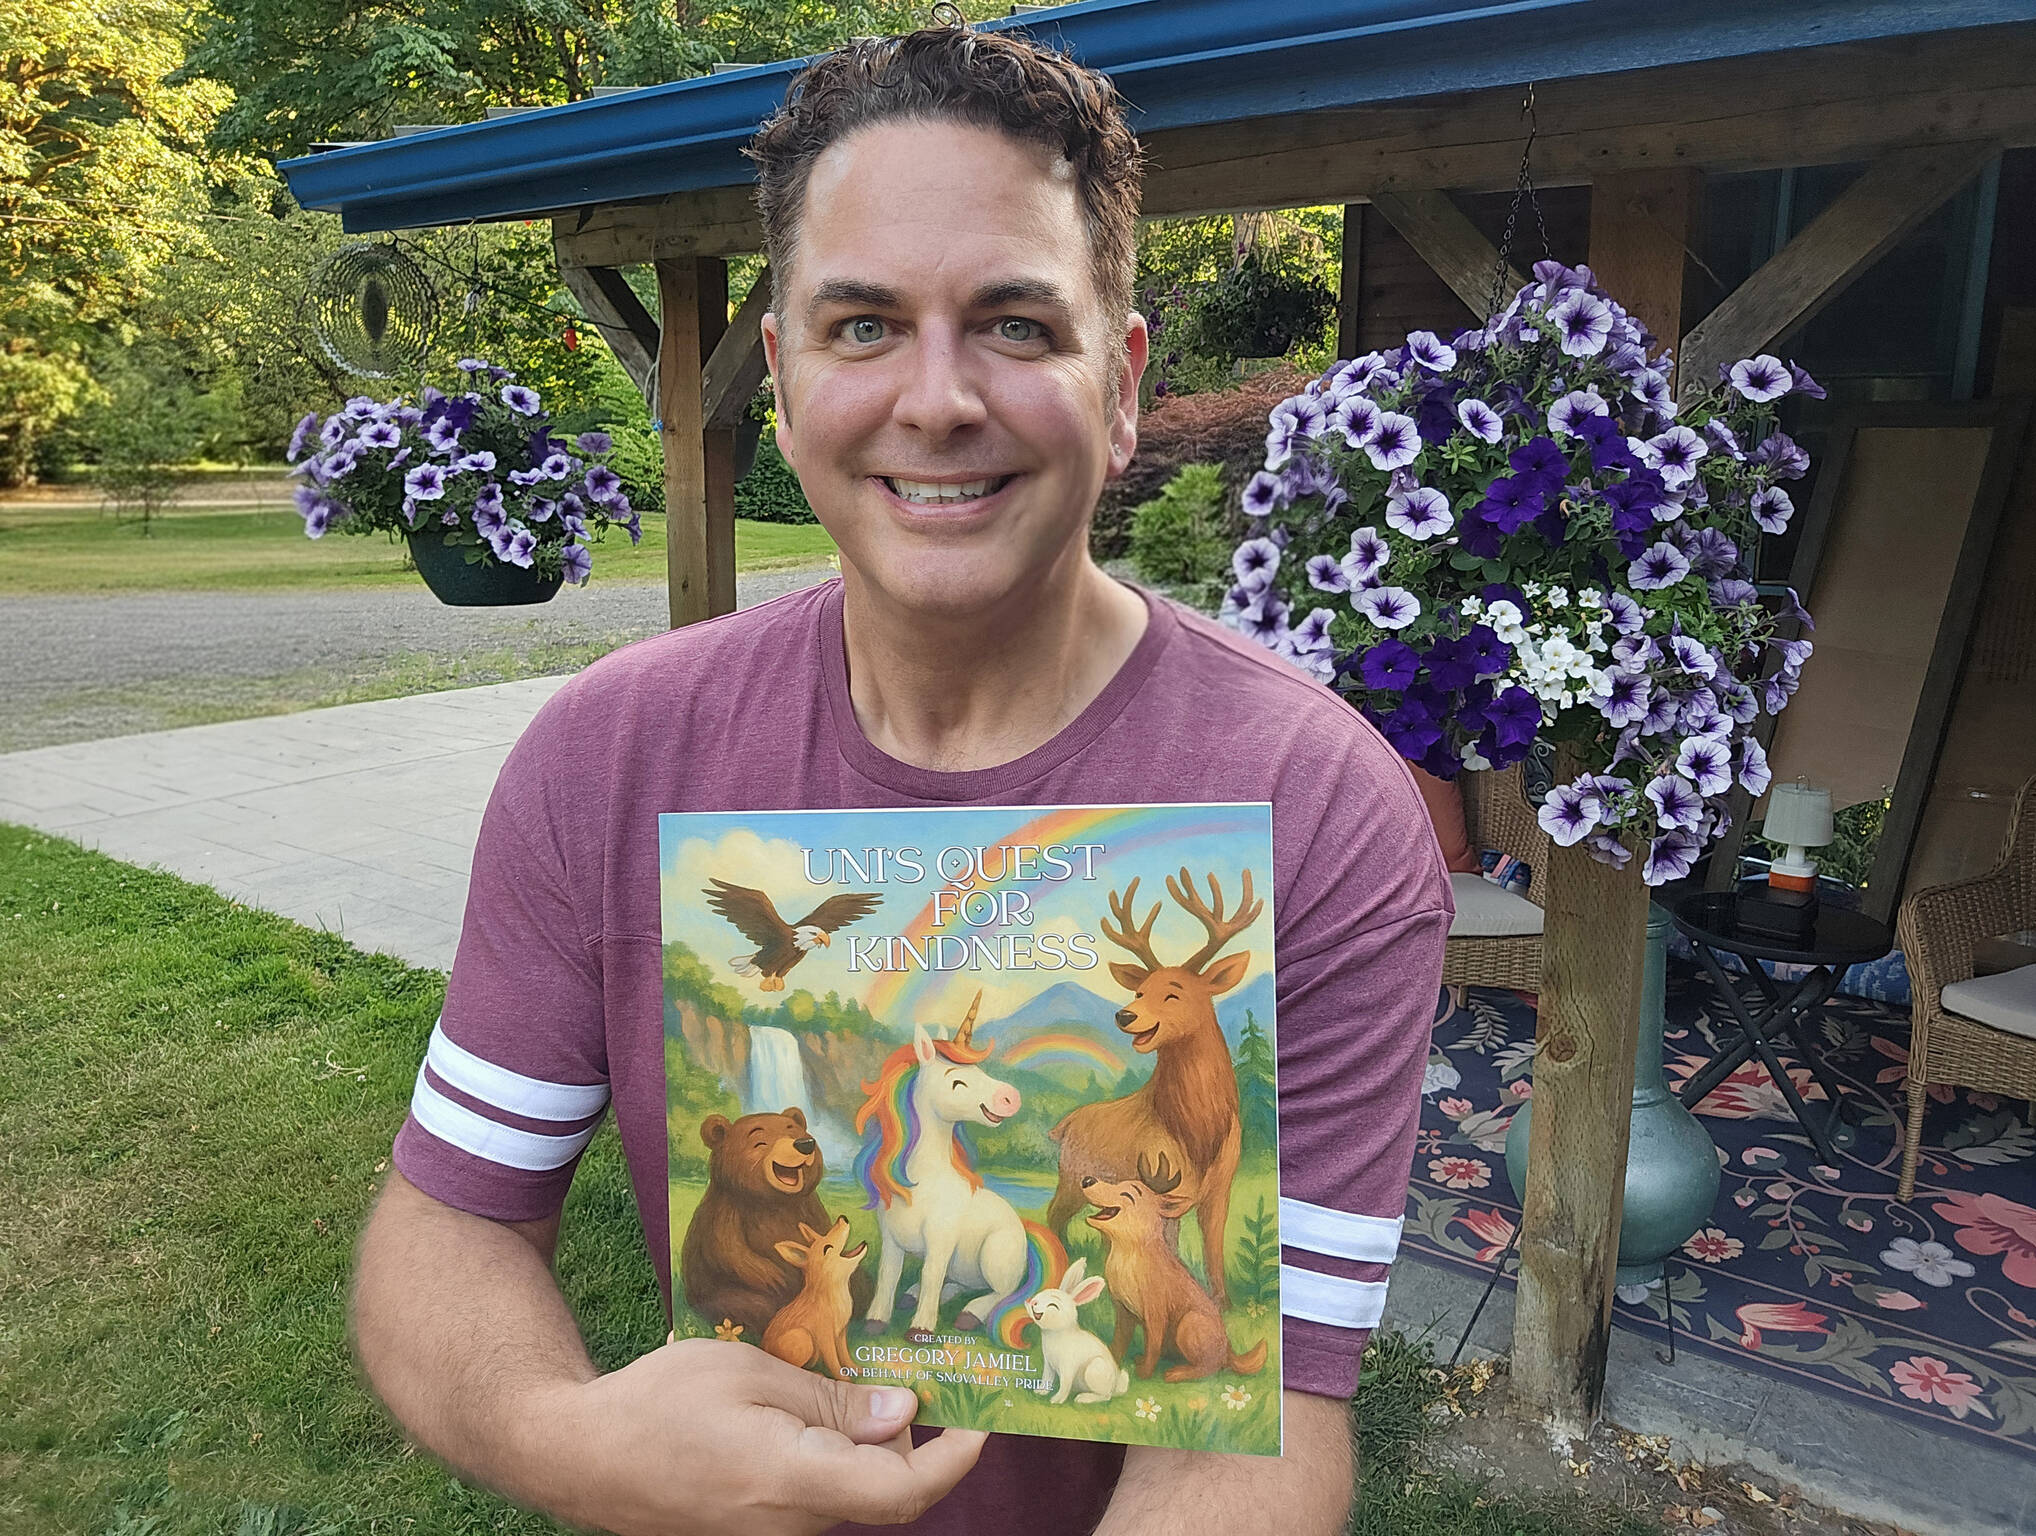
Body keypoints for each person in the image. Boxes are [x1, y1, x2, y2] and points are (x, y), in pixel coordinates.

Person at [351, 22, 1451, 1535]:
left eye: (1015, 323)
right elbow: (447, 1221)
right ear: (785, 383)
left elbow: (1251, 1434)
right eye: (861, 326)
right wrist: (571, 1442)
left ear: (1119, 384)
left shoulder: (1316, 807)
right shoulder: (611, 756)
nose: (936, 400)